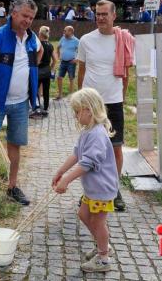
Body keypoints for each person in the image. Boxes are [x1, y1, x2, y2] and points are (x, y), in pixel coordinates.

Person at [0, 0, 43, 215]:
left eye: (31, 18)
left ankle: (12, 186)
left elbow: (39, 53)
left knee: (15, 145)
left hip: (21, 103)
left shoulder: (33, 39)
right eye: (24, 16)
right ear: (13, 13)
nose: (27, 21)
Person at [77, 0, 135, 212]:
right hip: (91, 104)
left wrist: (122, 96)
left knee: (115, 148)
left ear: (113, 16)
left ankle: (114, 189)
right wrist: (80, 99)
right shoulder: (85, 40)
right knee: (87, 148)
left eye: (104, 14)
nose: (100, 17)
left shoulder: (123, 40)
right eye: (97, 14)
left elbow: (126, 73)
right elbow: (81, 70)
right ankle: (89, 191)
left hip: (113, 101)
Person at [52, 88, 118, 273]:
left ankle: (103, 258)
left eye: (77, 111)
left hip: (102, 189)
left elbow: (88, 162)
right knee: (83, 214)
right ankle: (102, 243)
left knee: (98, 222)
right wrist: (60, 171)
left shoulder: (97, 134)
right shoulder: (87, 131)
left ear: (89, 110)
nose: (75, 116)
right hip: (93, 189)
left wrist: (67, 179)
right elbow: (77, 154)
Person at [31, 26, 58, 118]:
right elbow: (55, 59)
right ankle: (46, 108)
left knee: (34, 89)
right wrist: (51, 68)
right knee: (46, 91)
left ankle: (36, 108)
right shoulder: (50, 45)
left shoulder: (37, 44)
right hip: (47, 71)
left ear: (40, 34)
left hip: (38, 70)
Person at [56, 26, 79, 99]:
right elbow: (58, 47)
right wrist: (58, 55)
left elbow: (81, 51)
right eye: (64, 31)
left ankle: (71, 96)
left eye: (65, 31)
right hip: (63, 61)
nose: (64, 32)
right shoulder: (63, 38)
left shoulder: (76, 41)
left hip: (71, 62)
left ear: (71, 32)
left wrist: (77, 59)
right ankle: (60, 95)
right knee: (59, 77)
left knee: (71, 78)